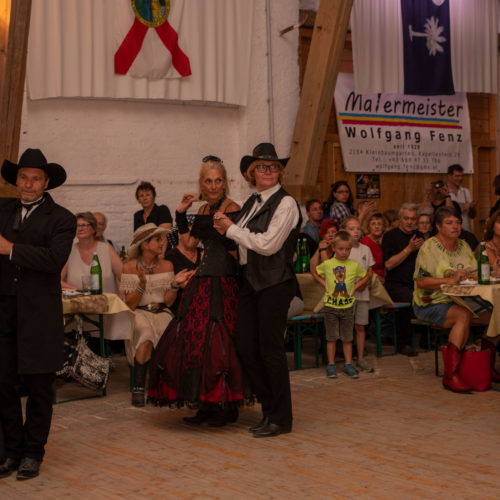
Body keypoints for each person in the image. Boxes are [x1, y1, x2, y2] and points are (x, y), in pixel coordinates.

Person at [149, 156, 245, 427]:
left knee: (221, 342)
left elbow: (238, 248)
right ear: (201, 183)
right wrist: (181, 213)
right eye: (208, 181)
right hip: (203, 279)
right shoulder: (202, 209)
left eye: (217, 181)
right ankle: (205, 404)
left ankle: (226, 406)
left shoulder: (233, 207)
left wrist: (222, 233)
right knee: (196, 340)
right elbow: (190, 241)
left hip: (225, 280)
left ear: (224, 182)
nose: (213, 186)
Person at [213, 143, 301, 438]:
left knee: (271, 351)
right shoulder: (253, 202)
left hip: (275, 283)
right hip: (251, 282)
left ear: (279, 172)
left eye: (273, 167)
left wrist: (231, 229)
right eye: (262, 167)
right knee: (247, 348)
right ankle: (269, 409)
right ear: (252, 172)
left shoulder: (286, 203)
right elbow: (242, 241)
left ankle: (281, 417)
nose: (268, 171)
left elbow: (268, 244)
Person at [0, 148, 76, 480]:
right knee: (2, 384)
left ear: (46, 182)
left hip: (40, 314)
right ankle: (11, 451)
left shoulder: (62, 218)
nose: (28, 184)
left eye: (35, 178)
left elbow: (54, 259)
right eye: (23, 177)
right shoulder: (2, 209)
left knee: (40, 387)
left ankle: (33, 452)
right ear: (16, 180)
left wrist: (11, 249)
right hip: (3, 311)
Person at [120, 224, 194, 407]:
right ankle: (138, 388)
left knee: (172, 334)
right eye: (157, 239)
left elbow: (168, 302)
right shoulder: (129, 267)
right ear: (145, 245)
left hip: (162, 311)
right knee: (145, 334)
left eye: (162, 239)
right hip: (139, 311)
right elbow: (130, 304)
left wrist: (175, 285)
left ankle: (170, 386)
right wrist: (141, 285)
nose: (163, 243)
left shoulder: (167, 264)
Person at [413, 207, 478, 392]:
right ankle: (451, 375)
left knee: (493, 314)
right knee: (463, 316)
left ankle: (485, 368)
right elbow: (421, 282)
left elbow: (473, 274)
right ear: (439, 227)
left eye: (458, 222)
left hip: (461, 299)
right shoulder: (429, 247)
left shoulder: (464, 246)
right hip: (431, 302)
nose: (455, 226)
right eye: (449, 223)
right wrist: (450, 279)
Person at [315, 231, 370, 379]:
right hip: (331, 308)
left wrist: (356, 286)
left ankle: (348, 364)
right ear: (333, 248)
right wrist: (323, 283)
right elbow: (314, 271)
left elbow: (367, 275)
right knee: (331, 337)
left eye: (347, 249)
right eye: (341, 249)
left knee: (347, 337)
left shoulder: (354, 265)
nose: (344, 252)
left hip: (347, 308)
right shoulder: (328, 264)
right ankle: (331, 365)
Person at [382, 203, 424, 356]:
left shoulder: (419, 236)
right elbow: (389, 264)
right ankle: (403, 343)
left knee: (435, 294)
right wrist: (409, 249)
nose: (410, 222)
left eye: (413, 219)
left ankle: (427, 339)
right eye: (406, 218)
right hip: (395, 285)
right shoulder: (390, 236)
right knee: (410, 298)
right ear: (400, 219)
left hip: (417, 282)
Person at [342, 216, 374, 372]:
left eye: (358, 228)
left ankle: (360, 358)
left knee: (360, 326)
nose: (355, 232)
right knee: (347, 327)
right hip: (347, 295)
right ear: (344, 231)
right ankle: (348, 361)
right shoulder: (342, 250)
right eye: (351, 228)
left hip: (363, 294)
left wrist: (363, 283)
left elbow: (370, 271)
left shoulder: (365, 249)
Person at [61, 212, 123, 291]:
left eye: (84, 225)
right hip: (78, 302)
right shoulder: (69, 250)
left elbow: (125, 277)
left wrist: (122, 296)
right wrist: (76, 289)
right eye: (77, 226)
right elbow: (57, 281)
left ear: (94, 229)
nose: (80, 229)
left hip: (107, 302)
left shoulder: (107, 249)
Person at [447, 164, 476, 232]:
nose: (460, 178)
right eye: (457, 176)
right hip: (451, 231)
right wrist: (462, 208)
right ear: (449, 176)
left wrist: (472, 208)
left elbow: (472, 216)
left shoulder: (466, 192)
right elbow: (446, 214)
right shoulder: (445, 192)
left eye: (462, 176)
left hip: (466, 231)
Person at [310, 219, 339, 283]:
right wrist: (319, 248)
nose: (330, 235)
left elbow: (328, 269)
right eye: (327, 232)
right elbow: (312, 268)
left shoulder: (340, 249)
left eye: (333, 232)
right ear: (322, 235)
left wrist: (323, 250)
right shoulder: (321, 247)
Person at [360, 212, 386, 280]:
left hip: (385, 278)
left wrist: (384, 245)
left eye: (379, 224)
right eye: (373, 224)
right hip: (371, 279)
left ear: (383, 227)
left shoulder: (385, 240)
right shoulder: (365, 241)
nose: (376, 227)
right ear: (368, 227)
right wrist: (378, 279)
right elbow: (364, 267)